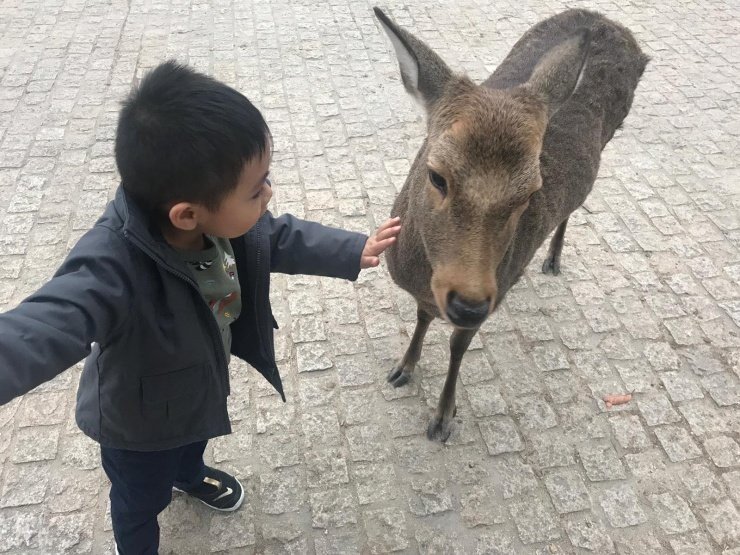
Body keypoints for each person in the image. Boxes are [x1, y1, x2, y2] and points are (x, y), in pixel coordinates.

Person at [0, 60, 401, 554]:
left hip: (198, 387)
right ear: (187, 214)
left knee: (193, 444)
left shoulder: (218, 219)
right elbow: (46, 323)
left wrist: (348, 249)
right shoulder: (111, 268)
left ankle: (189, 475)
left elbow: (272, 235)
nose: (268, 195)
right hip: (139, 429)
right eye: (257, 190)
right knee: (138, 502)